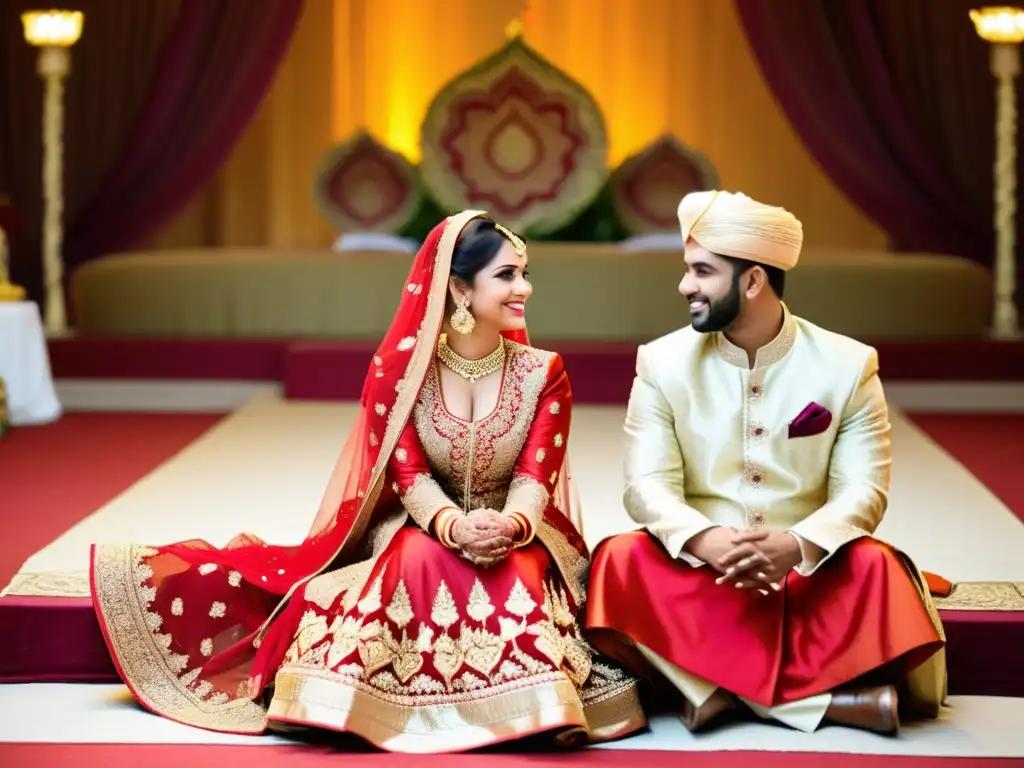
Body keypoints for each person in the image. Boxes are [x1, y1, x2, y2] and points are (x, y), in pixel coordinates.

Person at [90, 211, 647, 752]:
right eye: (506, 275)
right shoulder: (401, 376)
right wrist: (453, 527)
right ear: (457, 289)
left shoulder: (542, 373)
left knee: (514, 578)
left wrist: (509, 524)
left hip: (518, 532)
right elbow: (409, 475)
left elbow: (535, 477)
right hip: (424, 523)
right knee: (416, 562)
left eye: (525, 274)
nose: (523, 288)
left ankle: (528, 708)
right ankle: (381, 704)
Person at [584, 190, 946, 736]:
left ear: (752, 280)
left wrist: (796, 545)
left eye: (702, 272)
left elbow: (864, 490)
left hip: (808, 573)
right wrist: (705, 540)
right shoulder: (661, 362)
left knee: (878, 569)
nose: (686, 286)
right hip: (700, 571)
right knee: (618, 560)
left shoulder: (847, 365)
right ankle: (830, 705)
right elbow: (646, 486)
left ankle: (709, 693)